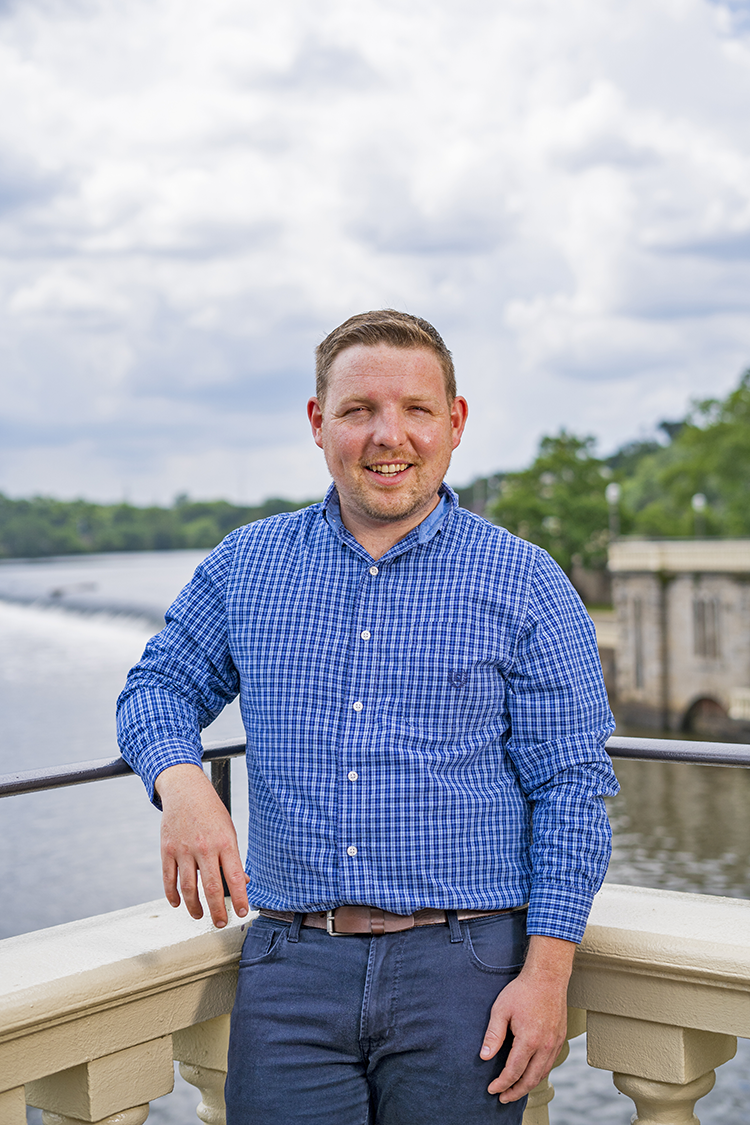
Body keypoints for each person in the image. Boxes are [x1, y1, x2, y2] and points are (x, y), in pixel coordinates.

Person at [117, 309, 619, 1124]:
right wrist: (183, 784)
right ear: (320, 424)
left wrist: (547, 976)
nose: (391, 436)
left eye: (417, 409)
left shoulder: (526, 581)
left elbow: (571, 788)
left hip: (467, 968)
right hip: (290, 967)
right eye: (359, 411)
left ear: (454, 423)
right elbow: (157, 684)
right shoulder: (249, 564)